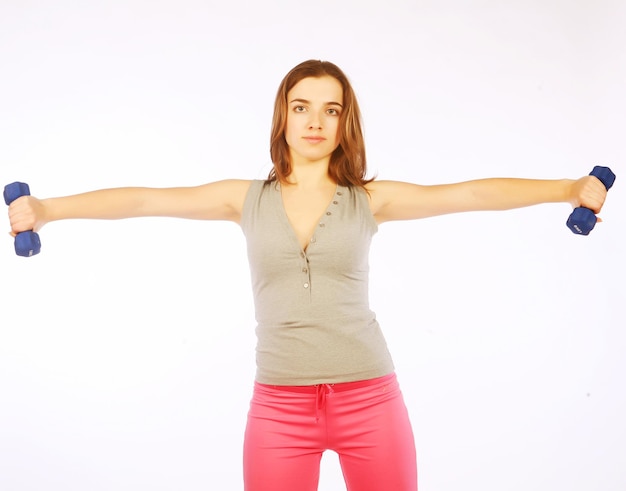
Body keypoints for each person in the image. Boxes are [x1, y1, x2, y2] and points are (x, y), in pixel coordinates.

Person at [7, 60, 609, 491]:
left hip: (371, 400)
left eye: (331, 109)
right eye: (302, 107)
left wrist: (567, 189)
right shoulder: (242, 198)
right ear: (283, 117)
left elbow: (471, 192)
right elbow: (144, 200)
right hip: (278, 408)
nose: (315, 121)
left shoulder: (370, 199)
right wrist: (50, 209)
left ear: (345, 123)